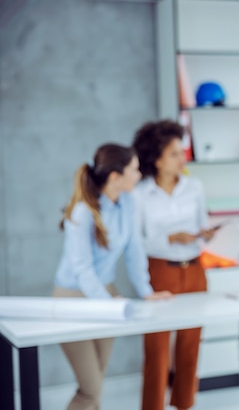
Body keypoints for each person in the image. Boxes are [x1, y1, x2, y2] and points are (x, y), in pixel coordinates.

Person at [53, 143, 172, 410]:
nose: (139, 175)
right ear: (115, 176)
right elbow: (83, 269)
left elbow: (134, 248)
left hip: (105, 293)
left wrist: (145, 290)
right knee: (90, 389)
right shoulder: (82, 212)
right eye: (134, 170)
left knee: (97, 384)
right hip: (72, 299)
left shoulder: (128, 202)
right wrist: (108, 303)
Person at [132, 119, 218, 410]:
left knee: (190, 345)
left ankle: (184, 405)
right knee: (156, 349)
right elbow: (136, 242)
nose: (183, 158)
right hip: (159, 271)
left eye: (182, 151)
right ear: (156, 159)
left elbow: (201, 223)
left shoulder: (194, 186)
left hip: (194, 270)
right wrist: (169, 237)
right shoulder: (140, 193)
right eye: (174, 153)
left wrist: (203, 232)